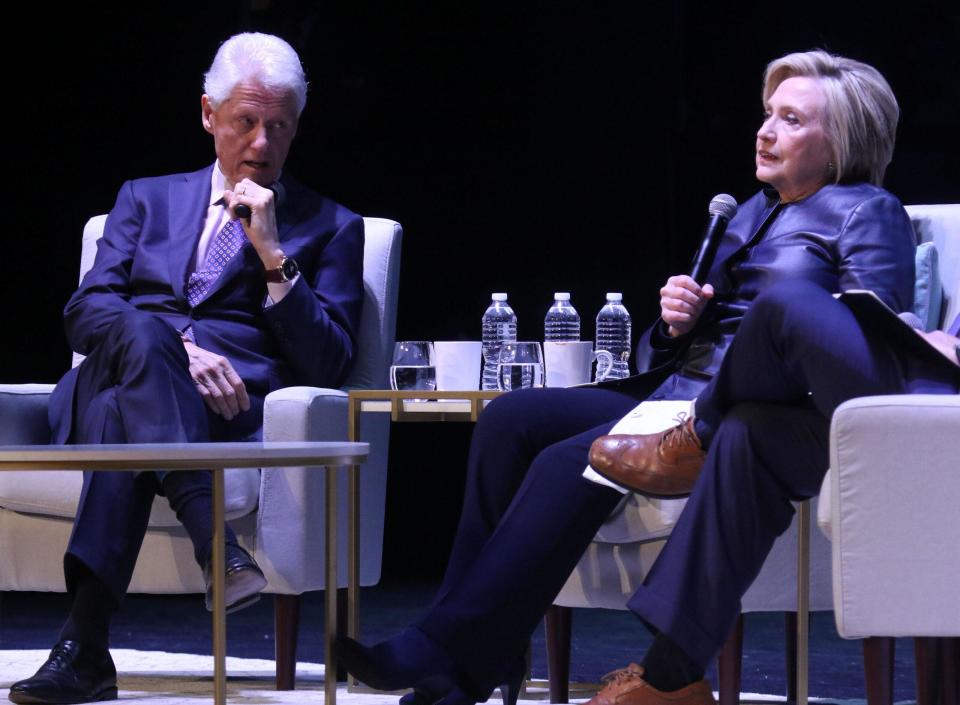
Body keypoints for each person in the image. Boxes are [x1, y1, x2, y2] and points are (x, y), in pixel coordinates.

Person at [337, 50, 916, 705]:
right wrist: (674, 324)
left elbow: (866, 342)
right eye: (766, 115)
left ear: (842, 140)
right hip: (674, 392)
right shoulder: (750, 213)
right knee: (509, 418)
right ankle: (460, 670)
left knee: (568, 462)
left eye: (790, 119)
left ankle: (442, 651)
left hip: (750, 412)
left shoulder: (868, 210)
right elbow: (673, 351)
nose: (764, 131)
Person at [8, 33, 364, 705]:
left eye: (279, 126)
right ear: (209, 114)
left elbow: (330, 360)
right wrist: (177, 348)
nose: (261, 144)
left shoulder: (329, 226)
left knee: (125, 410)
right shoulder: (145, 198)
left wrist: (273, 256)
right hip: (103, 387)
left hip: (218, 416)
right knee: (141, 330)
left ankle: (84, 649)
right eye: (245, 122)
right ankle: (217, 543)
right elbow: (86, 309)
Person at [584, 281, 959, 705]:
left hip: (940, 404)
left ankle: (696, 438)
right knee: (748, 431)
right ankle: (671, 678)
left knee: (785, 302)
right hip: (928, 397)